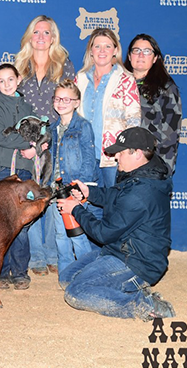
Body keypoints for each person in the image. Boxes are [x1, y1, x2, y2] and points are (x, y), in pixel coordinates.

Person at [56, 127, 175, 321]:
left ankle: (145, 305)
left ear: (137, 153)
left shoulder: (142, 192)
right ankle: (125, 288)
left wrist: (76, 209)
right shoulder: (142, 174)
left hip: (138, 262)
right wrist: (89, 193)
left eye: (120, 152)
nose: (116, 157)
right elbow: (116, 195)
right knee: (66, 279)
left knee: (76, 292)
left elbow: (103, 234)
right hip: (120, 250)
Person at [14, 15, 75, 276]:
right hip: (27, 141)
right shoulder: (19, 66)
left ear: (53, 38)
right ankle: (36, 255)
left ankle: (52, 253)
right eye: (36, 32)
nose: (41, 37)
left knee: (51, 193)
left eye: (46, 32)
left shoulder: (64, 66)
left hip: (56, 137)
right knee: (30, 194)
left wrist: (52, 136)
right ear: (29, 36)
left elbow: (71, 100)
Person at [0, 63, 36, 290]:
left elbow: (40, 132)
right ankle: (1, 271)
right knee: (0, 223)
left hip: (24, 168)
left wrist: (36, 147)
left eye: (10, 79)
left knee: (22, 223)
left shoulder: (28, 106)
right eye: (1, 81)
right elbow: (1, 137)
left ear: (18, 80)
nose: (6, 84)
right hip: (1, 168)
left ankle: (20, 271)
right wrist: (30, 144)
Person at [76, 27, 140, 190]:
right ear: (91, 51)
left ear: (115, 51)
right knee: (85, 202)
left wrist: (126, 152)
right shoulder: (80, 79)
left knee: (115, 201)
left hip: (114, 157)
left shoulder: (126, 80)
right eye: (97, 46)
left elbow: (133, 120)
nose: (102, 50)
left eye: (107, 46)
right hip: (84, 157)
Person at [47, 80, 97, 277]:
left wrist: (80, 187)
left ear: (77, 102)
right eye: (58, 99)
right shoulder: (52, 128)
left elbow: (89, 159)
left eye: (67, 99)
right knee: (61, 234)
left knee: (77, 233)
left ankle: (87, 274)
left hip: (75, 188)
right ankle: (66, 274)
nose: (61, 103)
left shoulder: (83, 126)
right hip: (57, 189)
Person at [124, 34, 182, 176]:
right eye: (136, 50)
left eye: (147, 51)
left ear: (155, 58)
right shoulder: (118, 83)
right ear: (130, 56)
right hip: (120, 159)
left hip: (150, 161)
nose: (141, 55)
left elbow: (171, 132)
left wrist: (164, 168)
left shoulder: (165, 87)